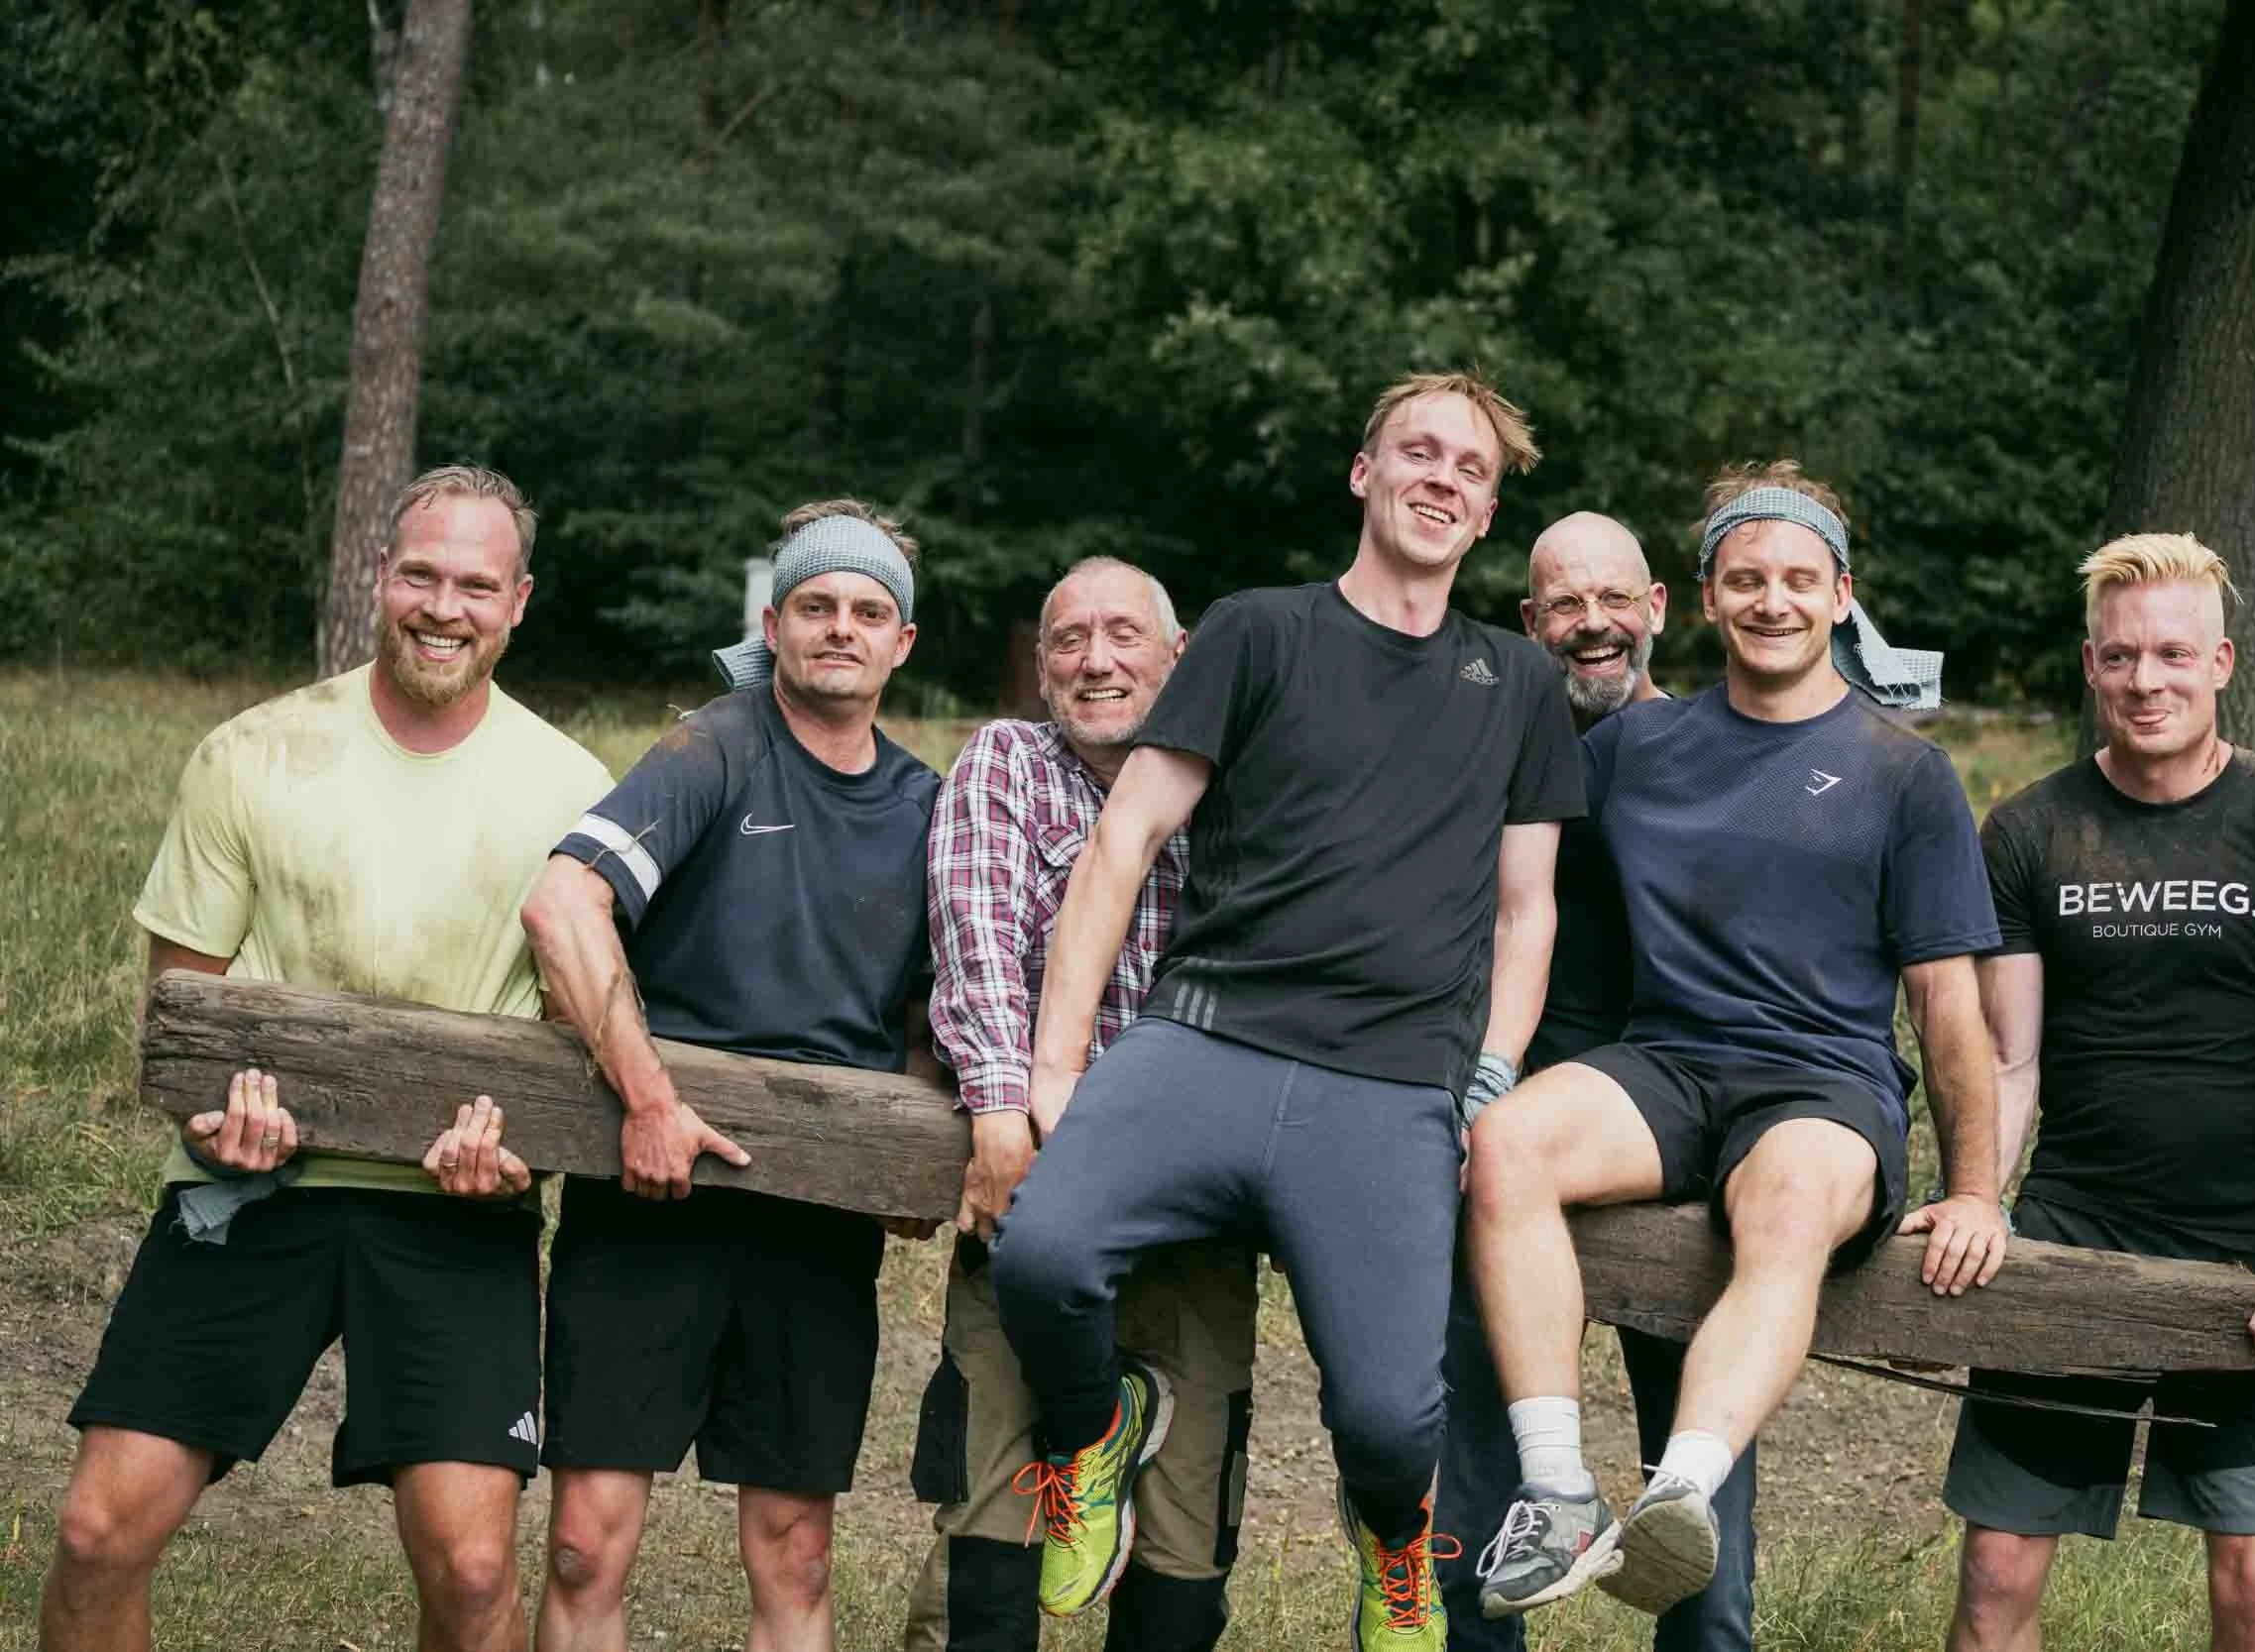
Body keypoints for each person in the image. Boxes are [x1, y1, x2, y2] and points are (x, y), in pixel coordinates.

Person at [987, 372, 1583, 1651]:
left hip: (1390, 1083)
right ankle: (1095, 1432)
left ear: (1486, 513)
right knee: (1040, 1256)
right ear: (1363, 475)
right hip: (1206, 1036)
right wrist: (1054, 1058)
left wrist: (1490, 1070)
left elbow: (1526, 907)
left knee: (1388, 1418)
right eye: (1416, 452)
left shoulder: (1518, 679)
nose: (1441, 477)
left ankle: (1397, 1539)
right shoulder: (1260, 631)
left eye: (1470, 468)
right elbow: (1126, 837)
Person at [40, 466, 615, 1652]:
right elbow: (182, 1001)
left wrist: (519, 1159)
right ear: (379, 576)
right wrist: (212, 1118)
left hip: (458, 1206)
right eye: (419, 574)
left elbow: (579, 1040)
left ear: (519, 600)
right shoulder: (255, 751)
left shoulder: (572, 789)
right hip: (251, 1187)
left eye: (474, 583)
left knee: (467, 1566)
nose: (442, 606)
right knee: (97, 1532)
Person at [1464, 461, 2011, 1623]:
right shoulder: (1631, 753)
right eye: (1747, 578)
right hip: (1664, 1062)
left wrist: (1977, 1189)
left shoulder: (1902, 773)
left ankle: (1680, 1493)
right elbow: (1518, 891)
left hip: (1822, 1083)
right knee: (1505, 1141)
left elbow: (1948, 1008)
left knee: (1787, 1204)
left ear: (1839, 594)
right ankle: (1559, 1490)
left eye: (1798, 580)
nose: (1773, 600)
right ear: (1704, 597)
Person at [521, 499, 942, 1652]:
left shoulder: (926, 805)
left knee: (798, 1546)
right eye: (816, 606)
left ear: (902, 641)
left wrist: (912, 1150)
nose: (841, 627)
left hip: (814, 1218)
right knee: (583, 1539)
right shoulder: (712, 745)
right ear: (775, 622)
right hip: (648, 1188)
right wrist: (650, 1099)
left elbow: (922, 1014)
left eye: (868, 610)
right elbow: (564, 903)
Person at [1940, 533, 2255, 1652]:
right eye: (2121, 657)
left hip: (2247, 1251)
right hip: (2074, 1232)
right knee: (1992, 1578)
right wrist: (1979, 1194)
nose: (2147, 681)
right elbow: (2007, 1058)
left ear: (2222, 661)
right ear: (2090, 667)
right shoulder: (2028, 828)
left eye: (2172, 654)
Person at [902, 555, 1260, 1652]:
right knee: (993, 1497)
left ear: (1179, 655)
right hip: (1037, 1189)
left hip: (1198, 1214)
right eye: (1069, 640)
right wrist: (1000, 1116)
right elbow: (977, 946)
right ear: (1043, 665)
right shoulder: (1008, 761)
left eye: (1123, 635)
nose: (1096, 660)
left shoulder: (1243, 782)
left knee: (1188, 1530)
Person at [1434, 511, 1758, 1652]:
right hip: (1499, 1136)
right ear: (1531, 623)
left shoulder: (1725, 751)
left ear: (1659, 608)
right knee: (1479, 1472)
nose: (1591, 624)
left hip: (1684, 1137)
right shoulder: (1488, 747)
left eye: (1612, 599)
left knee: (1696, 1488)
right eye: (1564, 604)